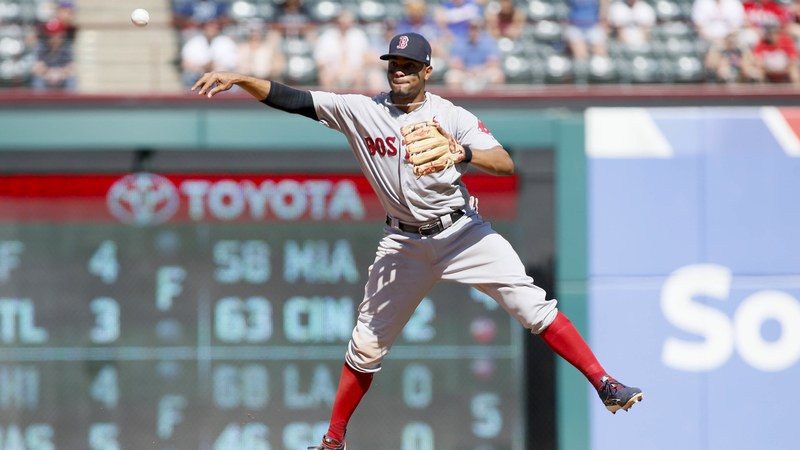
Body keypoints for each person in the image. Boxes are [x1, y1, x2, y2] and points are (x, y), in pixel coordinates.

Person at [191, 32, 643, 450]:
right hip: (402, 242)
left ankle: (605, 383)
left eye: (410, 65)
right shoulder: (362, 111)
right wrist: (241, 78)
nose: (400, 71)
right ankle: (333, 442)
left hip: (463, 233)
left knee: (534, 307)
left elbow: (504, 162)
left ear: (427, 71)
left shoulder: (451, 116)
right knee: (365, 346)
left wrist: (463, 152)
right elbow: (294, 99)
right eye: (394, 64)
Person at [313, 10, 370, 88]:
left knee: (361, 76)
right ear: (337, 21)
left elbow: (365, 56)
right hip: (332, 70)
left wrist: (358, 69)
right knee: (325, 76)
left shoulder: (359, 35)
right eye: (343, 20)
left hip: (355, 70)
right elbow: (320, 59)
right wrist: (330, 70)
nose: (345, 22)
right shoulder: (326, 36)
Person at [445, 19, 505, 90]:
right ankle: (457, 98)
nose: (473, 32)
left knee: (497, 74)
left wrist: (479, 70)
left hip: (483, 72)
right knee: (453, 77)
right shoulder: (459, 41)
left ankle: (494, 98)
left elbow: (494, 61)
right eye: (471, 29)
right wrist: (470, 70)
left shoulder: (488, 40)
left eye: (475, 29)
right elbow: (454, 63)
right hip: (465, 73)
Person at [181, 20, 238, 88]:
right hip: (199, 75)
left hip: (221, 76)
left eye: (213, 27)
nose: (211, 30)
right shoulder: (194, 42)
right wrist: (202, 67)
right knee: (188, 77)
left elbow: (234, 63)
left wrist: (215, 66)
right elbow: (185, 64)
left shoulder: (226, 42)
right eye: (208, 27)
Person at [31, 17, 75, 91]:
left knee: (71, 80)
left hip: (62, 77)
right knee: (38, 80)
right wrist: (48, 72)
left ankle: (71, 99)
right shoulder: (41, 45)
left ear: (62, 35)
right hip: (46, 77)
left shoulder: (67, 46)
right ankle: (38, 99)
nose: (52, 39)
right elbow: (35, 68)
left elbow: (72, 66)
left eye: (55, 35)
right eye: (49, 36)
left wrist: (60, 73)